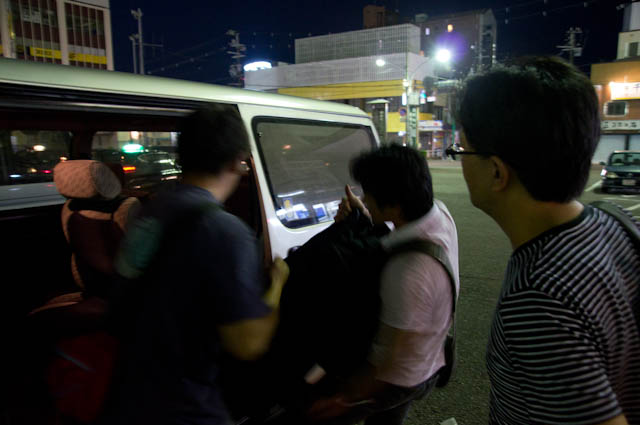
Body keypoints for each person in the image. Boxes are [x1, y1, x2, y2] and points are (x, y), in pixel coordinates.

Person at [454, 55, 640, 425]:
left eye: (461, 150)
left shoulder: (538, 296)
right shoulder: (613, 221)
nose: (459, 161)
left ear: (497, 172)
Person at [104, 104, 289, 425]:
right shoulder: (226, 231)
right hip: (185, 406)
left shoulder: (152, 210)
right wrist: (277, 285)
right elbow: (248, 343)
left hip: (127, 392)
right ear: (237, 161)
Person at [308, 144, 459, 425]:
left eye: (369, 194)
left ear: (395, 206)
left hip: (399, 378)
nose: (364, 198)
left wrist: (345, 398)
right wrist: (367, 216)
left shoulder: (409, 271)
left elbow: (389, 359)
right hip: (431, 357)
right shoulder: (439, 214)